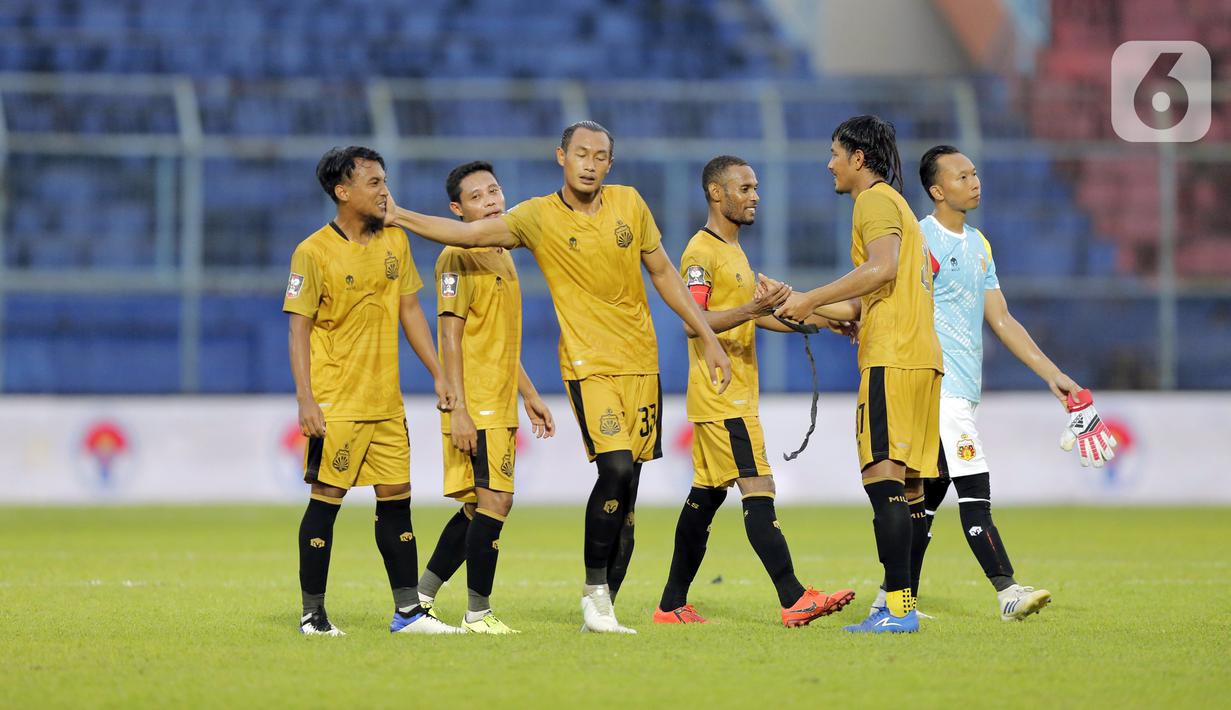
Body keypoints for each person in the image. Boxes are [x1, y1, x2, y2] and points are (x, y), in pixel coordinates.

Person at [386, 121, 732, 633]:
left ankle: (603, 606)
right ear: (561, 157)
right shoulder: (534, 219)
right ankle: (586, 596)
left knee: (628, 490)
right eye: (580, 154)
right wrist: (398, 215)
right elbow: (464, 236)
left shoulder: (630, 204)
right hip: (587, 366)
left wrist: (706, 334)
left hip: (642, 363)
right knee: (610, 470)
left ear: (610, 164)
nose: (590, 163)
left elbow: (662, 272)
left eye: (600, 155)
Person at [874, 144, 1109, 620]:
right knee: (975, 491)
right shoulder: (919, 241)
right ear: (937, 190)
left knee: (926, 501)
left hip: (964, 391)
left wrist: (1052, 374)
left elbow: (1001, 319)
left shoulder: (979, 244)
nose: (974, 181)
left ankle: (893, 600)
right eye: (961, 177)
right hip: (938, 390)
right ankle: (1008, 591)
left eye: (975, 173)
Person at [653, 155, 856, 626]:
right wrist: (751, 310)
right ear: (716, 194)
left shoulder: (734, 252)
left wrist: (823, 323)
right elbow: (693, 321)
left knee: (704, 499)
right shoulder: (700, 254)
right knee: (758, 487)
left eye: (755, 187)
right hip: (723, 396)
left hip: (727, 395)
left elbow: (760, 314)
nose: (755, 196)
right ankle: (793, 597)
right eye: (744, 188)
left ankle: (670, 605)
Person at [284, 146, 461, 636]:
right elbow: (298, 329)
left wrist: (439, 372)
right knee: (326, 500)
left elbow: (410, 312)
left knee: (397, 501)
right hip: (337, 400)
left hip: (387, 401)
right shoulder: (313, 251)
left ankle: (408, 613)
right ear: (343, 192)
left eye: (385, 181)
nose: (385, 190)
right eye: (374, 183)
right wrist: (306, 398)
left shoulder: (395, 242)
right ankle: (312, 615)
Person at [778, 116, 943, 634]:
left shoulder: (872, 201)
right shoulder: (898, 206)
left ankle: (897, 610)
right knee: (910, 488)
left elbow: (882, 268)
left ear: (858, 158)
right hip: (919, 356)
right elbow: (870, 296)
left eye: (834, 153)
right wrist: (798, 303)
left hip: (891, 358)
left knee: (881, 476)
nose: (828, 163)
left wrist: (811, 296)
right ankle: (899, 605)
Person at [415, 161, 556, 634]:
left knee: (479, 507)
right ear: (457, 209)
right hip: (476, 403)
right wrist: (458, 410)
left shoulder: (504, 250)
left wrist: (530, 394)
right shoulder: (455, 256)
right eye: (477, 196)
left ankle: (420, 598)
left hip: (501, 399)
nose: (491, 200)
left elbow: (497, 339)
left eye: (494, 190)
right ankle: (478, 613)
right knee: (497, 501)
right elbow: (450, 338)